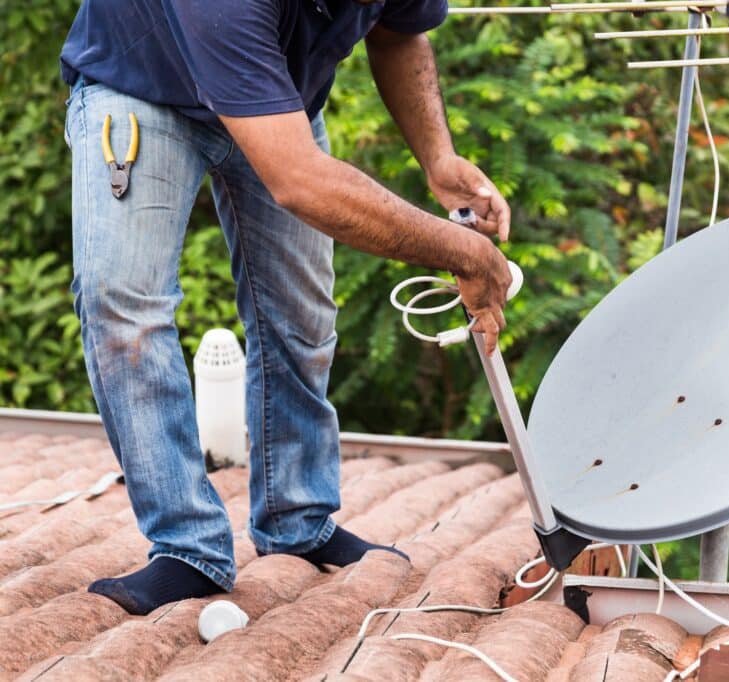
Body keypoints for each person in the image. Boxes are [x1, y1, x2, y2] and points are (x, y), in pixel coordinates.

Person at [60, 0, 513, 615]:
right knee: (125, 310)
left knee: (300, 317)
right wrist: (462, 251)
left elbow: (398, 34)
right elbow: (298, 179)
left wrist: (439, 158)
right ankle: (187, 547)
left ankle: (298, 520)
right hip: (144, 86)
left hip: (274, 107)